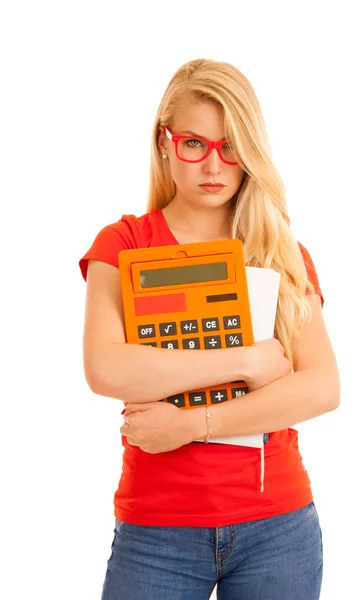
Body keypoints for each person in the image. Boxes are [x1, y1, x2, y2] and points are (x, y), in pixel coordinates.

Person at [79, 58, 340, 600]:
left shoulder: (284, 254)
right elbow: (106, 368)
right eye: (194, 144)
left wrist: (192, 424)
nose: (213, 165)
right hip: (156, 534)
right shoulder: (124, 244)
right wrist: (247, 361)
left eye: (232, 146)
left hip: (279, 528)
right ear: (164, 142)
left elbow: (320, 387)